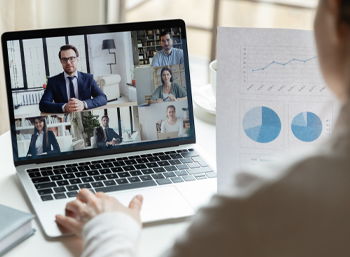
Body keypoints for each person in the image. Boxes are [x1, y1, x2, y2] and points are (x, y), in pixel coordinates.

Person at [55, 0, 350, 256]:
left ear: (335, 15)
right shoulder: (147, 76)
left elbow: (104, 98)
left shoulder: (258, 205)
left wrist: (109, 228)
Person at [39, 44, 107, 113]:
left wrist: (83, 104)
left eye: (71, 58)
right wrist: (64, 107)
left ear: (77, 59)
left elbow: (102, 98)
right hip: (64, 120)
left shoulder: (88, 78)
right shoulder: (53, 81)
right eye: (64, 59)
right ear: (61, 61)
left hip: (86, 119)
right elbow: (43, 104)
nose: (68, 62)